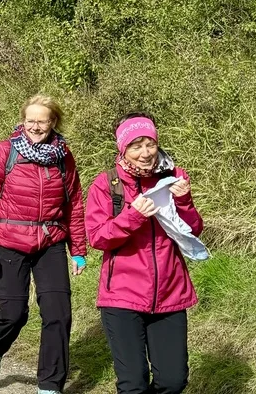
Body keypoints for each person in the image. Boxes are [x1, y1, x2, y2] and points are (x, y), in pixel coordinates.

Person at [0, 95, 87, 394]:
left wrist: (79, 250)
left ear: (54, 122)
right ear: (23, 121)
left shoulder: (64, 156)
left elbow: (74, 203)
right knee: (13, 313)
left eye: (42, 121)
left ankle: (49, 385)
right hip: (9, 242)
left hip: (50, 243)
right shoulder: (4, 152)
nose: (36, 126)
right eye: (31, 120)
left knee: (58, 314)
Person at [86, 113, 203, 394]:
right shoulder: (107, 184)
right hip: (122, 296)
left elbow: (193, 230)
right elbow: (98, 237)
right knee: (133, 385)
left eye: (149, 144)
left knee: (173, 382)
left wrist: (184, 200)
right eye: (136, 146)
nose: (145, 153)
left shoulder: (174, 177)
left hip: (170, 293)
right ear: (123, 149)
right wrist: (133, 216)